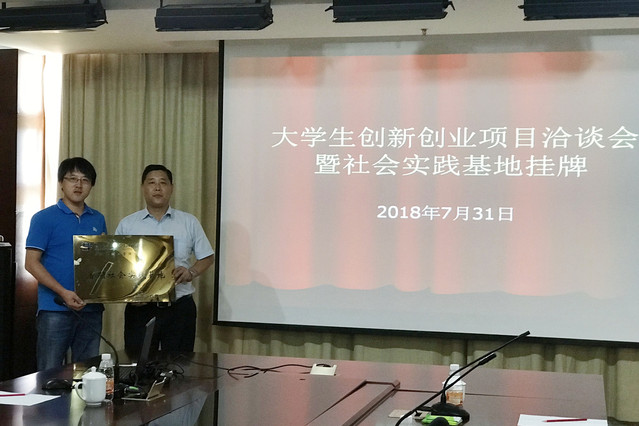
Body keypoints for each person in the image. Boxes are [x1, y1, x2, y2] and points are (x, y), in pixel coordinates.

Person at [115, 164, 214, 353]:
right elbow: (117, 267)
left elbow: (207, 257)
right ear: (143, 188)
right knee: (139, 363)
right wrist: (129, 295)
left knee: (179, 364)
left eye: (163, 183)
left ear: (172, 188)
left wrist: (191, 272)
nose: (157, 188)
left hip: (179, 307)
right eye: (151, 183)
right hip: (139, 309)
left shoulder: (188, 222)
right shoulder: (127, 224)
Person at [25, 157, 107, 370]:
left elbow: (103, 263)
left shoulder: (98, 219)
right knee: (49, 374)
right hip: (55, 308)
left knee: (88, 373)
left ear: (92, 185)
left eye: (85, 180)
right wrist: (63, 292)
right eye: (72, 179)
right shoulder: (43, 218)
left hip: (90, 309)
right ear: (61, 183)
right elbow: (31, 263)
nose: (78, 185)